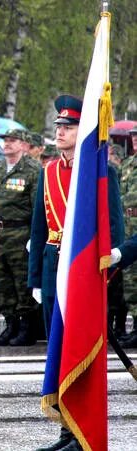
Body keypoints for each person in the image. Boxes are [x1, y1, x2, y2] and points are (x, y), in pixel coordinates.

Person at [28, 95, 124, 451]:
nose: (60, 132)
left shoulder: (101, 172)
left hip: (83, 274)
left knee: (79, 348)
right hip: (54, 267)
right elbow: (39, 230)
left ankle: (82, 433)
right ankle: (66, 433)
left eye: (68, 127)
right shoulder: (48, 172)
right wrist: (35, 278)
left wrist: (107, 274)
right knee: (57, 352)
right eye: (58, 126)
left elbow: (114, 228)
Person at [0, 129, 41, 346]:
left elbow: (38, 207)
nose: (7, 144)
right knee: (2, 283)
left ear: (24, 144)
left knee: (21, 282)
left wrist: (34, 237)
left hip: (20, 233)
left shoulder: (32, 170)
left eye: (12, 140)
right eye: (5, 140)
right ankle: (10, 325)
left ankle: (27, 327)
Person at [117, 125, 137, 348]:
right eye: (132, 137)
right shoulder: (129, 164)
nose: (135, 140)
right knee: (129, 279)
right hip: (128, 224)